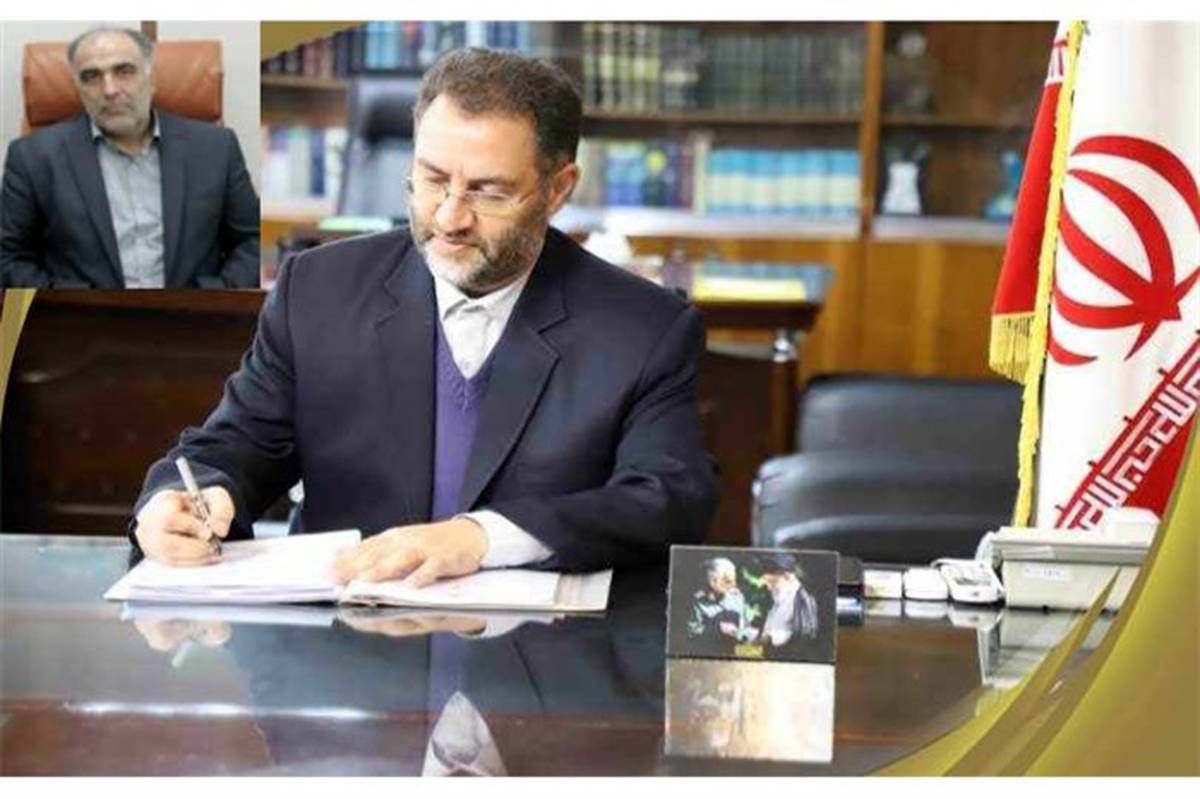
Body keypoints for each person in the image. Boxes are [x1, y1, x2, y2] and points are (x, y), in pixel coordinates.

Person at [131, 47, 718, 583]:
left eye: (488, 192)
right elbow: (234, 446)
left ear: (557, 189)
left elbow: (667, 498)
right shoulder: (319, 289)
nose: (450, 218)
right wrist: (179, 503)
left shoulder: (642, 329)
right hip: (345, 644)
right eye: (433, 180)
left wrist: (482, 539)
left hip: (539, 652)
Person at [0, 27, 260, 288]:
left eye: (124, 71)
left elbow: (252, 241)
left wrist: (215, 296)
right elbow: (9, 257)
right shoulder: (33, 158)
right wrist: (70, 301)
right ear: (78, 89)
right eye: (91, 77)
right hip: (82, 312)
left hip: (193, 310)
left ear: (152, 79)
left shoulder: (215, 148)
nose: (110, 90)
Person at [756, 553, 818, 648]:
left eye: (773, 582)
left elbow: (805, 636)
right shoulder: (776, 597)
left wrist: (771, 638)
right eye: (767, 582)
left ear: (788, 577)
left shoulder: (803, 599)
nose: (769, 588)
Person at [687, 557, 753, 641]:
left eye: (734, 580)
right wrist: (717, 628)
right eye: (728, 581)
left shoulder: (737, 598)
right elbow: (691, 632)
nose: (733, 585)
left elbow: (746, 627)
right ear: (713, 582)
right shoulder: (698, 603)